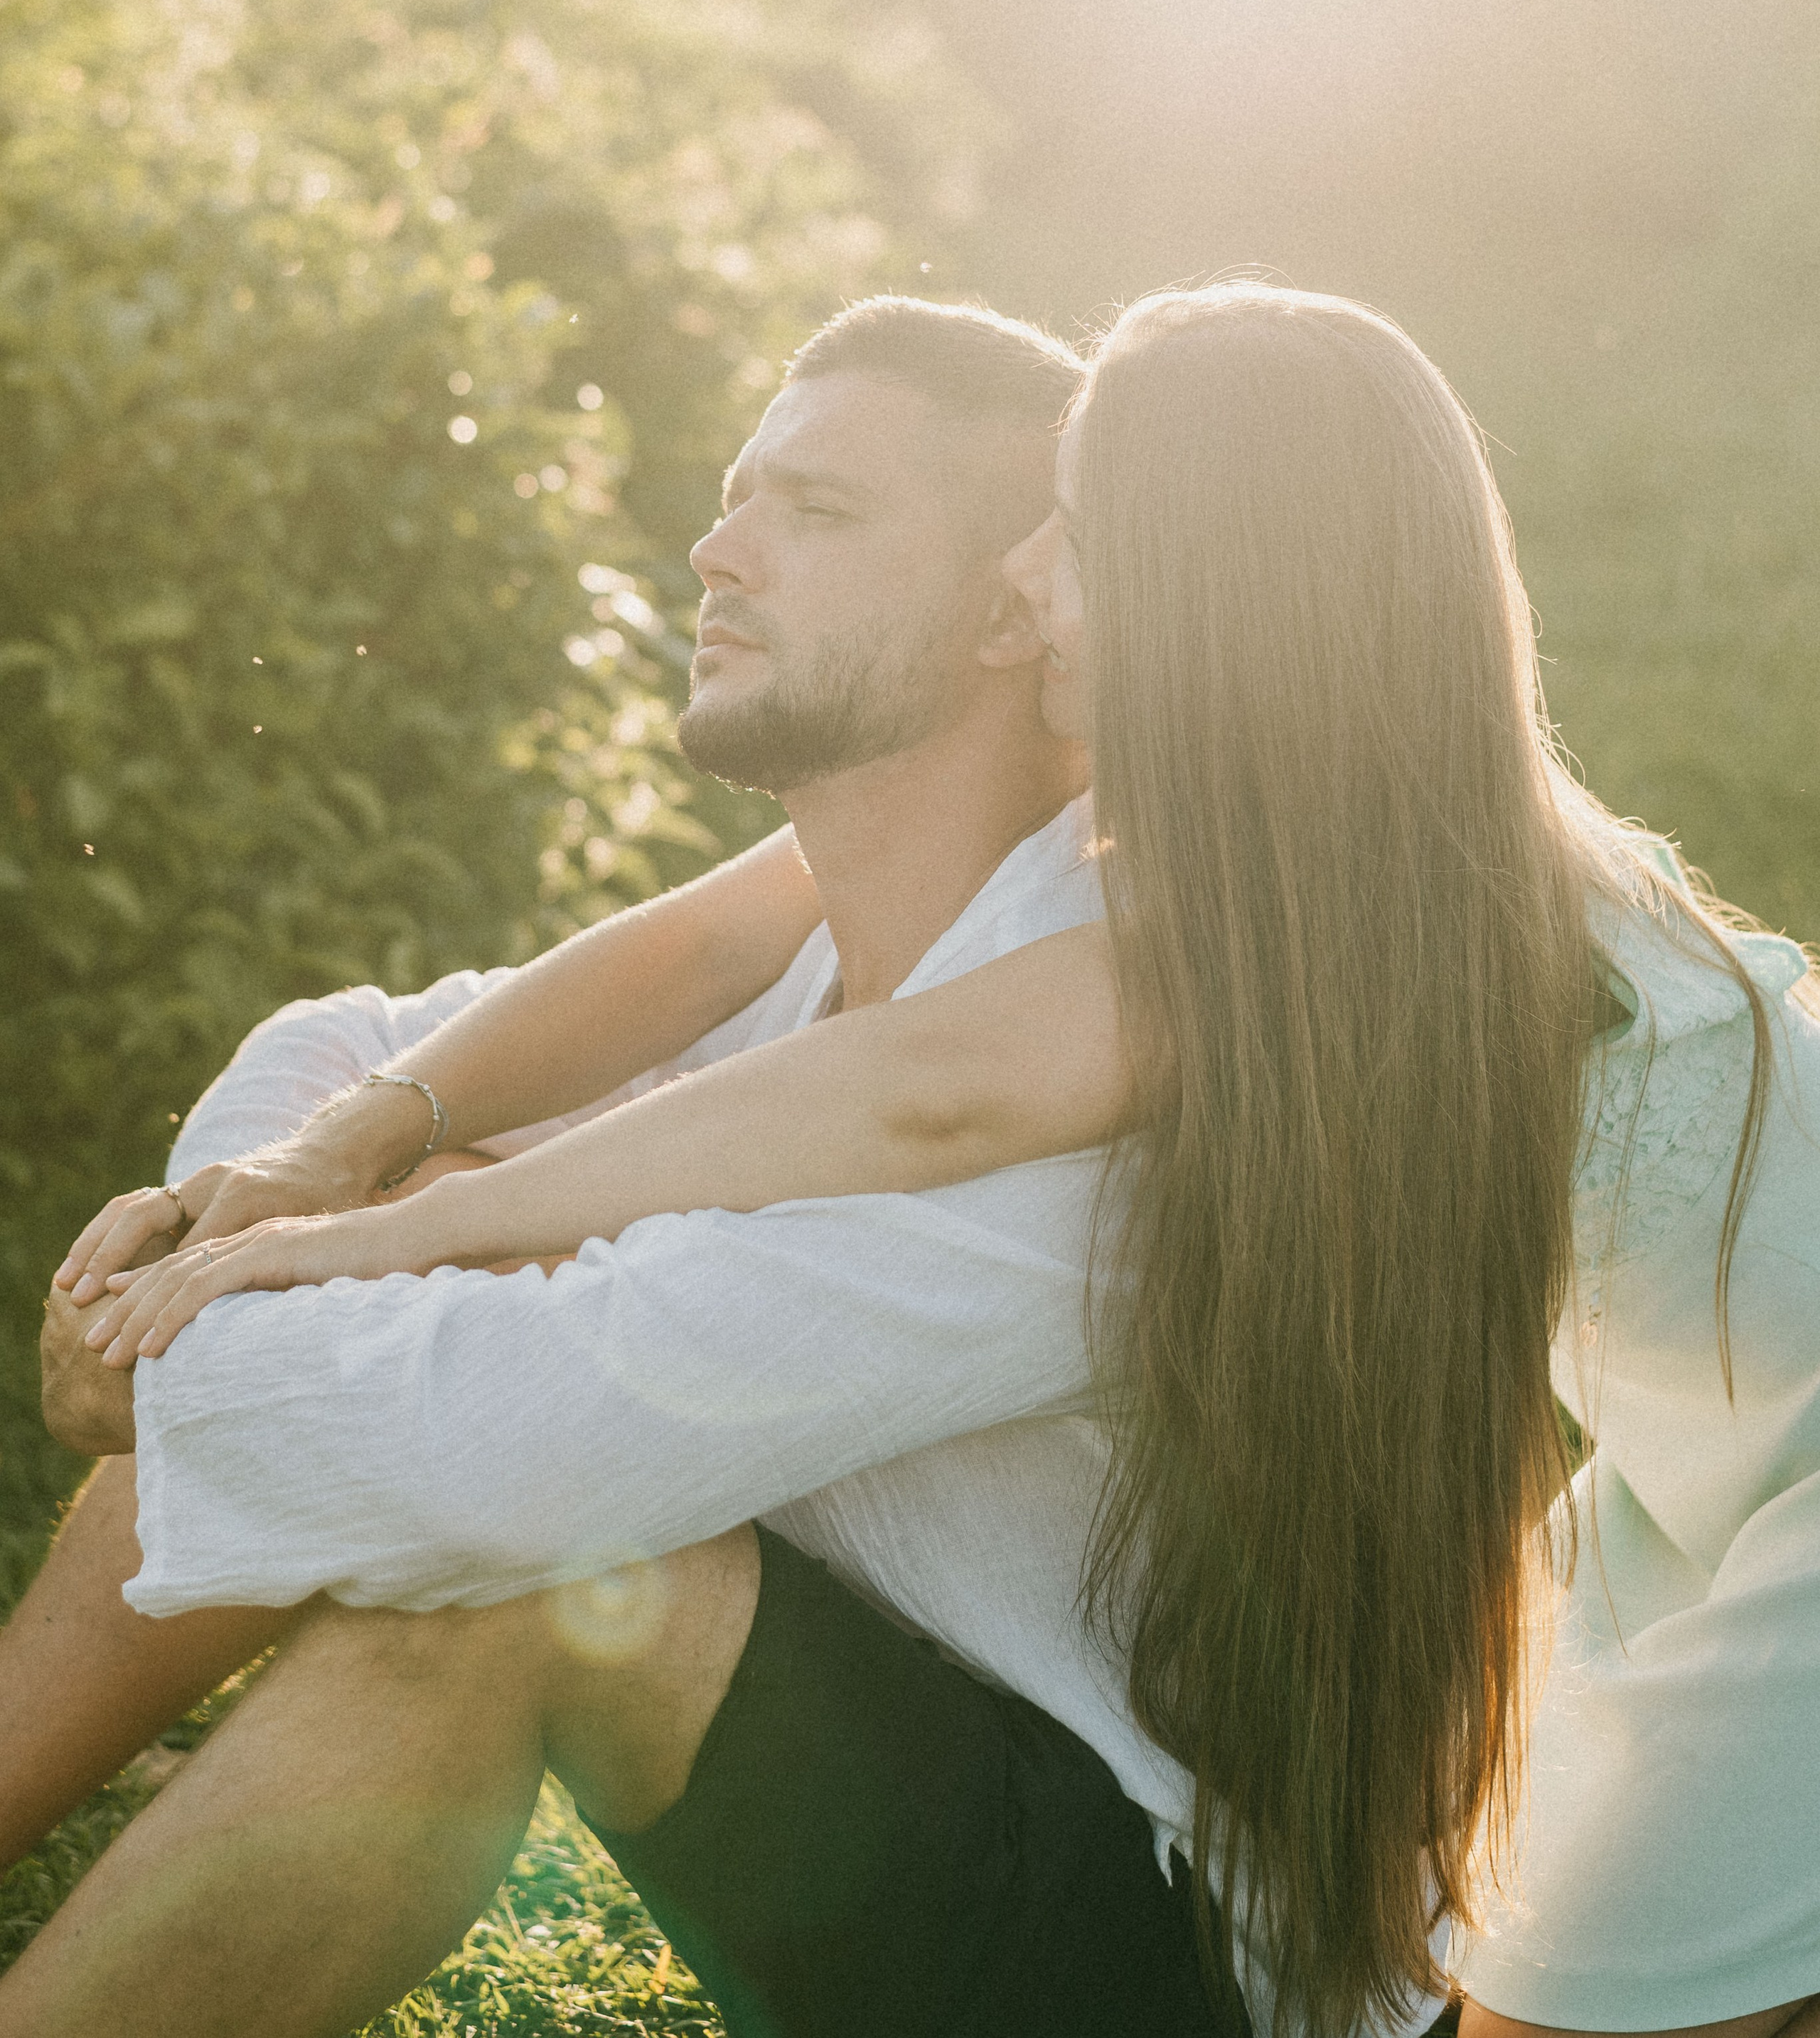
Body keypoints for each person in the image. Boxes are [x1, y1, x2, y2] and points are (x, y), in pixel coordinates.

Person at [17, 285, 1820, 2038]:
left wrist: (337, 1258)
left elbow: (910, 1116)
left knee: (1585, 1986)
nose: (1033, 582)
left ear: (1217, 596)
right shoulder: (1256, 890)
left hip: (1773, 1537)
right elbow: (850, 1051)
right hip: (1696, 1486)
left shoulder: (1336, 963)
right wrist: (371, 1187)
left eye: (1078, 539)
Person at [7, 299, 1277, 2038]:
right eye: (736, 492)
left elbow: (504, 1457)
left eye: (814, 514)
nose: (713, 548)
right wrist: (269, 1210)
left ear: (1024, 606)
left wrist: (174, 1342)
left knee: (513, 1582)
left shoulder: (1088, 1065)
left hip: (1170, 1939)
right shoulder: (806, 944)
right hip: (912, 1763)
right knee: (371, 1255)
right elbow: (348, 1041)